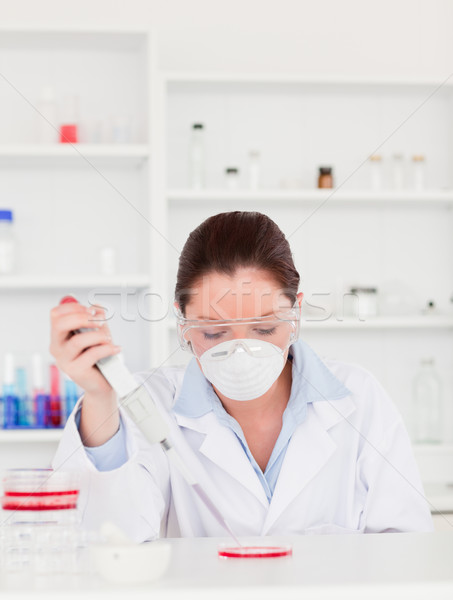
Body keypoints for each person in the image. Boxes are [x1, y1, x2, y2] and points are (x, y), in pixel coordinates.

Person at [51, 211, 433, 541]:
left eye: (264, 330)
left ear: (295, 312)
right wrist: (101, 399)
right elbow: (108, 539)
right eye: (214, 333)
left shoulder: (359, 398)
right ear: (182, 320)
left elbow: (405, 552)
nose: (240, 352)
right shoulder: (146, 403)